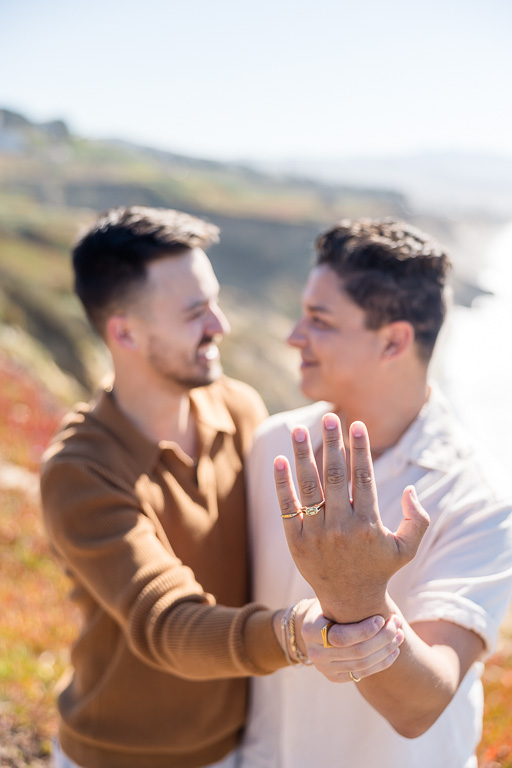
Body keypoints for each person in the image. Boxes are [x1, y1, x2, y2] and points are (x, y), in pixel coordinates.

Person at [40, 207, 405, 768]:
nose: (220, 325)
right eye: (194, 313)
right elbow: (165, 623)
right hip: (118, 757)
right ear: (125, 332)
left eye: (214, 301)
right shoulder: (79, 470)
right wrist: (297, 635)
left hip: (239, 748)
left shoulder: (238, 408)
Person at [241, 218, 512, 768]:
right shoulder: (274, 442)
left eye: (319, 320)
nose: (295, 335)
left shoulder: (476, 496)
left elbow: (423, 704)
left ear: (394, 340)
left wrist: (357, 595)